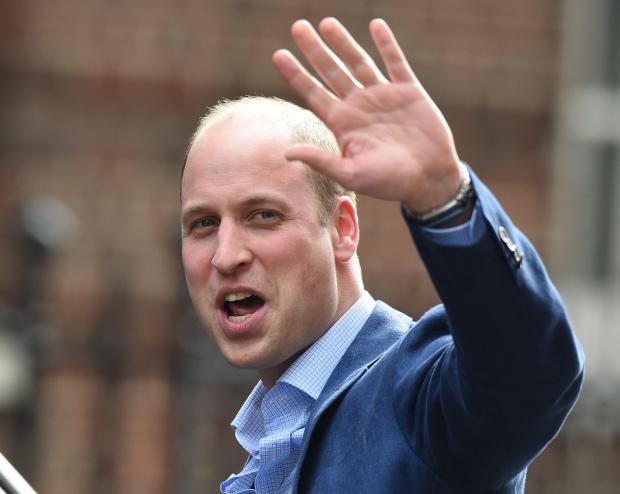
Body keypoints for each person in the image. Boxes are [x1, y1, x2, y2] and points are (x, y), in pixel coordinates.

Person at [180, 17, 584, 494]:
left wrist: (444, 196)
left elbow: (527, 376)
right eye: (204, 224)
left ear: (343, 230)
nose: (226, 256)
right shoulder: (267, 447)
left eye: (263, 215)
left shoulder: (420, 402)